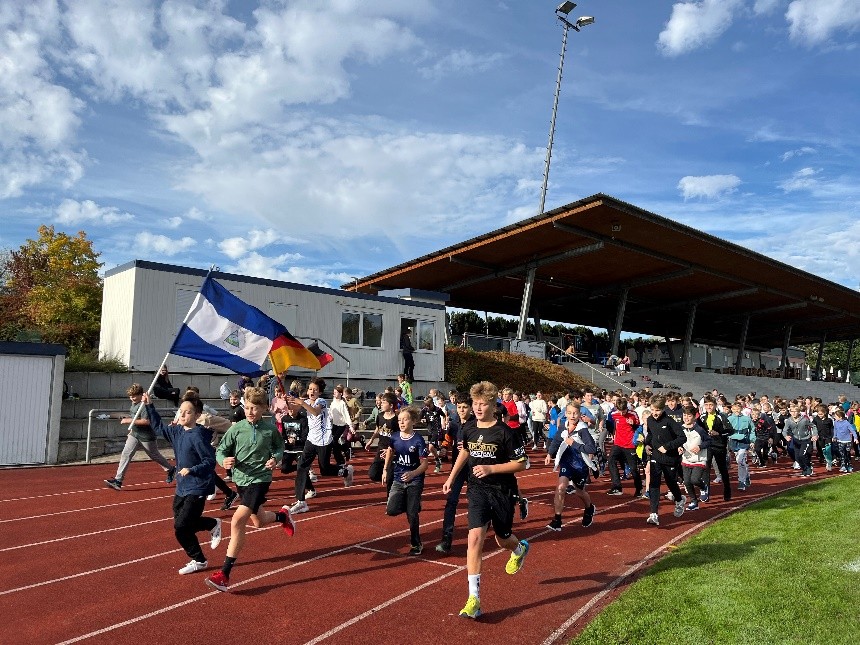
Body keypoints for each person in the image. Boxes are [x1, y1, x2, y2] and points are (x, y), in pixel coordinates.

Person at [442, 381, 529, 620]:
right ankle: (474, 599)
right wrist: (451, 477)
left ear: (493, 405)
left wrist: (491, 468)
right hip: (477, 490)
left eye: (483, 404)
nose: (478, 408)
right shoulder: (469, 428)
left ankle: (519, 549)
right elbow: (465, 451)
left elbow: (523, 463)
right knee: (475, 538)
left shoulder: (505, 433)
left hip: (502, 491)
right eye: (475, 404)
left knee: (502, 539)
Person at [206, 386, 296, 592]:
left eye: (254, 408)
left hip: (260, 479)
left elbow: (279, 447)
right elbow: (221, 450)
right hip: (241, 480)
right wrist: (223, 461)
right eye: (247, 407)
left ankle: (224, 575)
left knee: (237, 521)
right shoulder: (236, 429)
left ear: (264, 408)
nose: (250, 411)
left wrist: (276, 459)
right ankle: (283, 517)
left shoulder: (270, 429)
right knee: (259, 521)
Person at [145, 392, 221, 575]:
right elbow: (157, 427)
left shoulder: (199, 436)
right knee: (183, 523)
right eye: (181, 411)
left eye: (187, 412)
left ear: (197, 415)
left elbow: (210, 462)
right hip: (182, 486)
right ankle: (212, 524)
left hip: (198, 486)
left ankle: (199, 560)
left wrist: (192, 469)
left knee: (181, 527)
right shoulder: (177, 431)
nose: (182, 415)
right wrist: (149, 405)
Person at [289, 378, 354, 515]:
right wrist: (287, 401)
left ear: (320, 392)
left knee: (325, 470)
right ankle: (301, 501)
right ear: (307, 391)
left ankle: (346, 471)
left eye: (315, 389)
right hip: (311, 440)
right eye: (310, 389)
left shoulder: (322, 402)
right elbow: (293, 410)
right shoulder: (305, 402)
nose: (312, 391)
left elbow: (315, 412)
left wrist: (301, 402)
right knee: (301, 467)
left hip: (324, 441)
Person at [104, 383, 175, 490]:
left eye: (134, 395)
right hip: (135, 434)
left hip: (146, 436)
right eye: (130, 396)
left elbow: (146, 421)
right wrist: (131, 427)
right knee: (126, 454)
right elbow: (134, 416)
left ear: (140, 395)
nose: (132, 398)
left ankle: (170, 469)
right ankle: (118, 480)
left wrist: (129, 421)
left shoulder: (144, 406)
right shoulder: (134, 404)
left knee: (154, 455)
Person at [383, 406, 429, 555]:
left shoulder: (418, 440)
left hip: (414, 480)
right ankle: (413, 505)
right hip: (397, 478)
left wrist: (413, 473)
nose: (401, 422)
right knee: (391, 510)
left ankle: (416, 544)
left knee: (412, 514)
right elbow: (390, 450)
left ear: (413, 421)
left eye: (405, 419)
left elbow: (425, 464)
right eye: (399, 420)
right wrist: (385, 469)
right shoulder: (395, 437)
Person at [544, 404, 597, 532]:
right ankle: (557, 520)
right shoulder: (563, 426)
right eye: (569, 413)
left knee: (579, 491)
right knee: (561, 488)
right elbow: (557, 440)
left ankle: (589, 508)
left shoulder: (582, 429)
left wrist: (574, 444)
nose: (572, 415)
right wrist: (549, 454)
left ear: (579, 415)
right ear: (565, 414)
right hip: (566, 462)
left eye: (575, 413)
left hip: (580, 464)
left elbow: (592, 448)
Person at [436, 395, 473, 554]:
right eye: (459, 407)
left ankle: (480, 529)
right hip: (457, 470)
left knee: (475, 503)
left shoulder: (476, 425)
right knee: (451, 501)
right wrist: (444, 448)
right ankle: (446, 539)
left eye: (465, 407)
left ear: (470, 408)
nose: (462, 410)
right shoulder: (454, 425)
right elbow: (447, 440)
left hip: (473, 470)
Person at [643, 395, 687, 526]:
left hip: (670, 458)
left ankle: (679, 499)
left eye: (657, 410)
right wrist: (647, 444)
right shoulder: (650, 420)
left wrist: (667, 447)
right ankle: (654, 514)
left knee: (671, 483)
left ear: (663, 409)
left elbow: (682, 438)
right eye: (652, 410)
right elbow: (650, 434)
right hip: (656, 456)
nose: (654, 413)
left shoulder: (670, 422)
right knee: (654, 484)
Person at [606, 398, 642, 497]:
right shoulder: (613, 414)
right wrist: (612, 433)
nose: (622, 413)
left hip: (630, 445)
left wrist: (633, 424)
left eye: (624, 411)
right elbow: (609, 425)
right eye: (620, 411)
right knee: (611, 461)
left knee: (634, 469)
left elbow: (639, 427)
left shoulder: (633, 414)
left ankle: (639, 488)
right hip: (618, 443)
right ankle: (617, 487)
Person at [680, 405, 709, 511]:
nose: (686, 418)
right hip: (686, 459)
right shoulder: (680, 428)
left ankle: (703, 487)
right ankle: (694, 502)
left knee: (694, 479)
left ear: (694, 417)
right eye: (684, 415)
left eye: (689, 415)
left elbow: (709, 441)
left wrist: (700, 447)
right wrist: (679, 447)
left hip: (699, 459)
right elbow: (677, 440)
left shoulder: (699, 430)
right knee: (687, 482)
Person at [727, 401, 755, 491]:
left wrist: (752, 440)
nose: (736, 411)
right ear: (732, 409)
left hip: (744, 442)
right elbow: (726, 430)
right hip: (734, 442)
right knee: (739, 460)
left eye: (738, 409)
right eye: (734, 409)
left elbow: (752, 430)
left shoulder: (747, 419)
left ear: (742, 409)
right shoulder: (729, 419)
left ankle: (741, 481)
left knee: (740, 461)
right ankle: (746, 475)